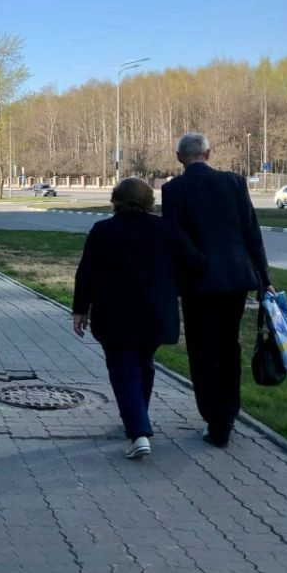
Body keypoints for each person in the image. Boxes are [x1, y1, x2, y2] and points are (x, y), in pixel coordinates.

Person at [72, 178, 204, 459]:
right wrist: (172, 287)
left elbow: (87, 273)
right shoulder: (166, 229)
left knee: (123, 369)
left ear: (115, 199)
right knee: (144, 364)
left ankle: (138, 432)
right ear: (149, 201)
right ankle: (137, 420)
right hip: (156, 314)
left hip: (114, 314)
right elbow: (193, 263)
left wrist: (80, 309)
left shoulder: (103, 230)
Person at [162, 132, 274, 448]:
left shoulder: (174, 190)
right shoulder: (235, 183)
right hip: (237, 280)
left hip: (199, 283)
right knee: (229, 345)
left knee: (202, 349)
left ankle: (215, 420)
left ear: (180, 157)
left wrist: (196, 262)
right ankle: (228, 413)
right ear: (208, 154)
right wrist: (264, 280)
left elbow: (174, 236)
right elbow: (252, 232)